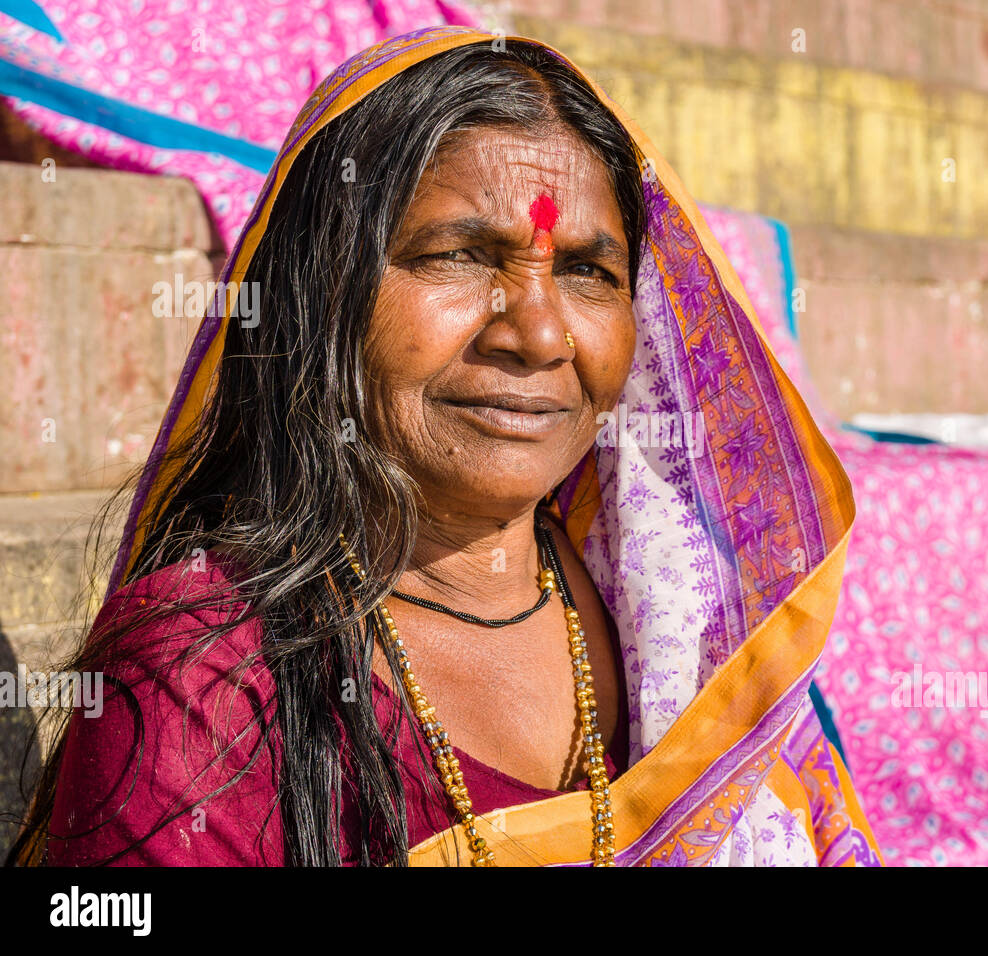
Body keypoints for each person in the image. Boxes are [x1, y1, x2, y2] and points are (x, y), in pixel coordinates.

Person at [8, 26, 880, 867]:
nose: (539, 335)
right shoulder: (202, 688)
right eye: (460, 255)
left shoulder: (680, 626)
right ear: (320, 294)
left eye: (585, 271)